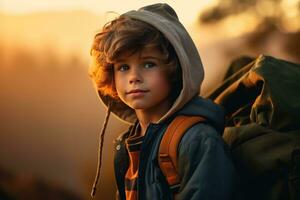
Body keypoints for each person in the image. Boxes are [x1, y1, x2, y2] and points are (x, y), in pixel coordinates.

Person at [89, 3, 236, 200]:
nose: (134, 77)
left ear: (174, 69)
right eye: (123, 67)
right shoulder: (130, 141)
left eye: (148, 64)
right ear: (110, 76)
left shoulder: (197, 140)